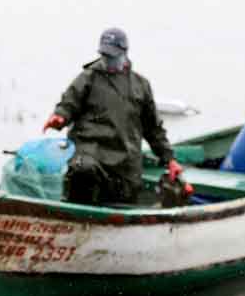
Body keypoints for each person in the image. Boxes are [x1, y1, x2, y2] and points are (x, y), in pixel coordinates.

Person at [43, 27, 183, 205]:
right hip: (91, 154)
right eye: (105, 56)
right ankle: (80, 215)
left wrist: (169, 160)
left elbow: (153, 129)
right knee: (82, 169)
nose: (108, 61)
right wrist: (60, 117)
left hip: (125, 164)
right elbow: (69, 103)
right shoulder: (88, 78)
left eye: (113, 56)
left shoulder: (140, 85)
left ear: (124, 53)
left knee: (126, 195)